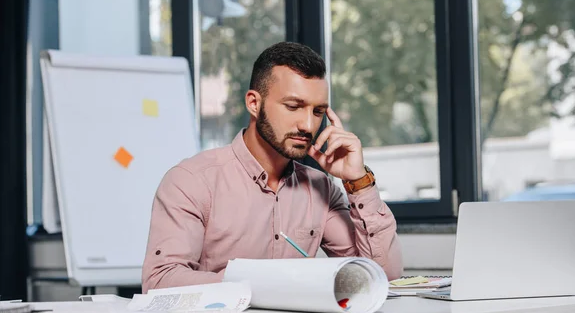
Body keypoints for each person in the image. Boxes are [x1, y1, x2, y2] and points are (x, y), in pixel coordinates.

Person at [142, 41, 403, 293]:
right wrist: (267, 284)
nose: (308, 125)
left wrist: (358, 181)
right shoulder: (192, 181)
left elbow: (382, 278)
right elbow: (161, 280)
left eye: (317, 111)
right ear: (254, 103)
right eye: (293, 106)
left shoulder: (321, 188)